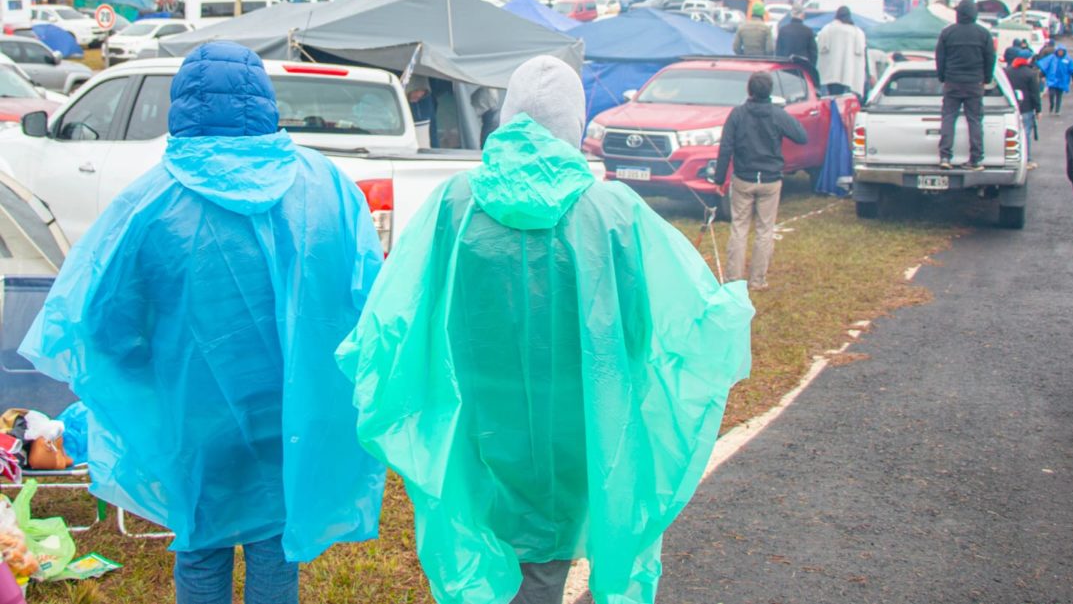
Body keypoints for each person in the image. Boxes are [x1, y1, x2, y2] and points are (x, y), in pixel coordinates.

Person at [337, 56, 753, 604]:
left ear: (507, 118)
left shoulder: (455, 203)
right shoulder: (611, 210)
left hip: (476, 412)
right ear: (573, 125)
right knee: (547, 553)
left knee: (485, 525)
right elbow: (672, 318)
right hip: (579, 417)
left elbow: (398, 312)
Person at [19, 43, 386, 603]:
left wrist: (144, 373)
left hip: (190, 409)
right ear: (264, 99)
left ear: (183, 104)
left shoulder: (149, 202)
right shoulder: (326, 187)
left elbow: (102, 324)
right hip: (292, 407)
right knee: (275, 540)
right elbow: (367, 300)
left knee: (199, 540)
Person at [713, 71, 808, 289]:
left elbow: (725, 147)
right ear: (770, 92)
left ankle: (733, 279)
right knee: (765, 231)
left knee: (739, 228)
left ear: (749, 90)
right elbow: (801, 136)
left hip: (743, 179)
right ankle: (757, 280)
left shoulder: (737, 114)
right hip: (770, 180)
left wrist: (719, 178)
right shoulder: (777, 114)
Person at [934, 0, 995, 170]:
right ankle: (975, 159)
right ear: (975, 14)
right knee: (975, 120)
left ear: (958, 14)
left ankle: (945, 157)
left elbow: (940, 58)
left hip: (952, 82)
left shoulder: (948, 33)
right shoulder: (983, 34)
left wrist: (942, 77)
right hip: (975, 83)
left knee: (948, 118)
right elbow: (990, 58)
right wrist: (987, 78)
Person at [816, 6, 867, 97]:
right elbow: (861, 50)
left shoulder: (827, 29)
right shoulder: (857, 32)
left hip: (831, 73)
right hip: (848, 73)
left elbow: (821, 47)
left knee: (831, 96)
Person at [1005, 54, 1042, 169]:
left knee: (1010, 135)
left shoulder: (1006, 71)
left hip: (1010, 107)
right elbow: (1035, 93)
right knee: (1025, 134)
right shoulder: (1030, 73)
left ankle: (1011, 158)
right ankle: (1026, 159)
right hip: (1026, 107)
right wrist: (1038, 109)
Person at [1038, 45, 1073, 115]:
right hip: (1052, 80)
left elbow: (1072, 70)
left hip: (1062, 80)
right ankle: (1051, 105)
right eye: (1059, 51)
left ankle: (1057, 110)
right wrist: (1042, 76)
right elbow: (1045, 67)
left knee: (1059, 96)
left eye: (1061, 51)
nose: (1060, 52)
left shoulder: (1068, 59)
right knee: (1051, 94)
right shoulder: (1051, 58)